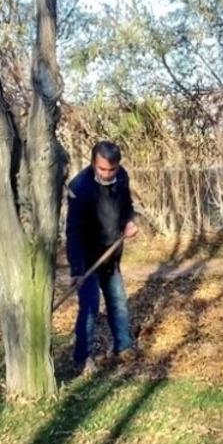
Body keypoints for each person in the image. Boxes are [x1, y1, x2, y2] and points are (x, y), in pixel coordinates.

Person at [66, 141, 139, 375]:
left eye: (112, 169)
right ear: (93, 163)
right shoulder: (80, 187)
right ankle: (83, 358)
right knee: (89, 308)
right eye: (102, 169)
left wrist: (128, 221)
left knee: (118, 301)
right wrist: (77, 269)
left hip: (111, 255)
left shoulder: (122, 177)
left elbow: (127, 205)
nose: (107, 174)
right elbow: (73, 231)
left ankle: (124, 346)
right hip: (88, 259)